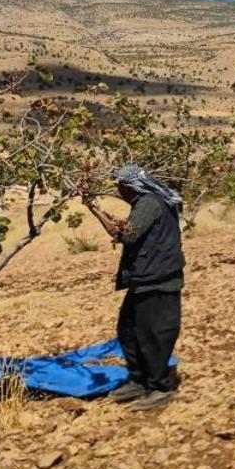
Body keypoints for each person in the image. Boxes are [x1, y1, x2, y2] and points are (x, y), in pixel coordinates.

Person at [84, 163, 185, 411]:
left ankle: (160, 387)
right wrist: (95, 207)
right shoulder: (148, 203)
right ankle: (139, 380)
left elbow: (127, 234)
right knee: (129, 329)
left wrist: (94, 208)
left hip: (157, 279)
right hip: (147, 277)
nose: (120, 192)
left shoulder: (149, 203)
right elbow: (130, 228)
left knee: (154, 334)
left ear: (130, 186)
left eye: (121, 188)